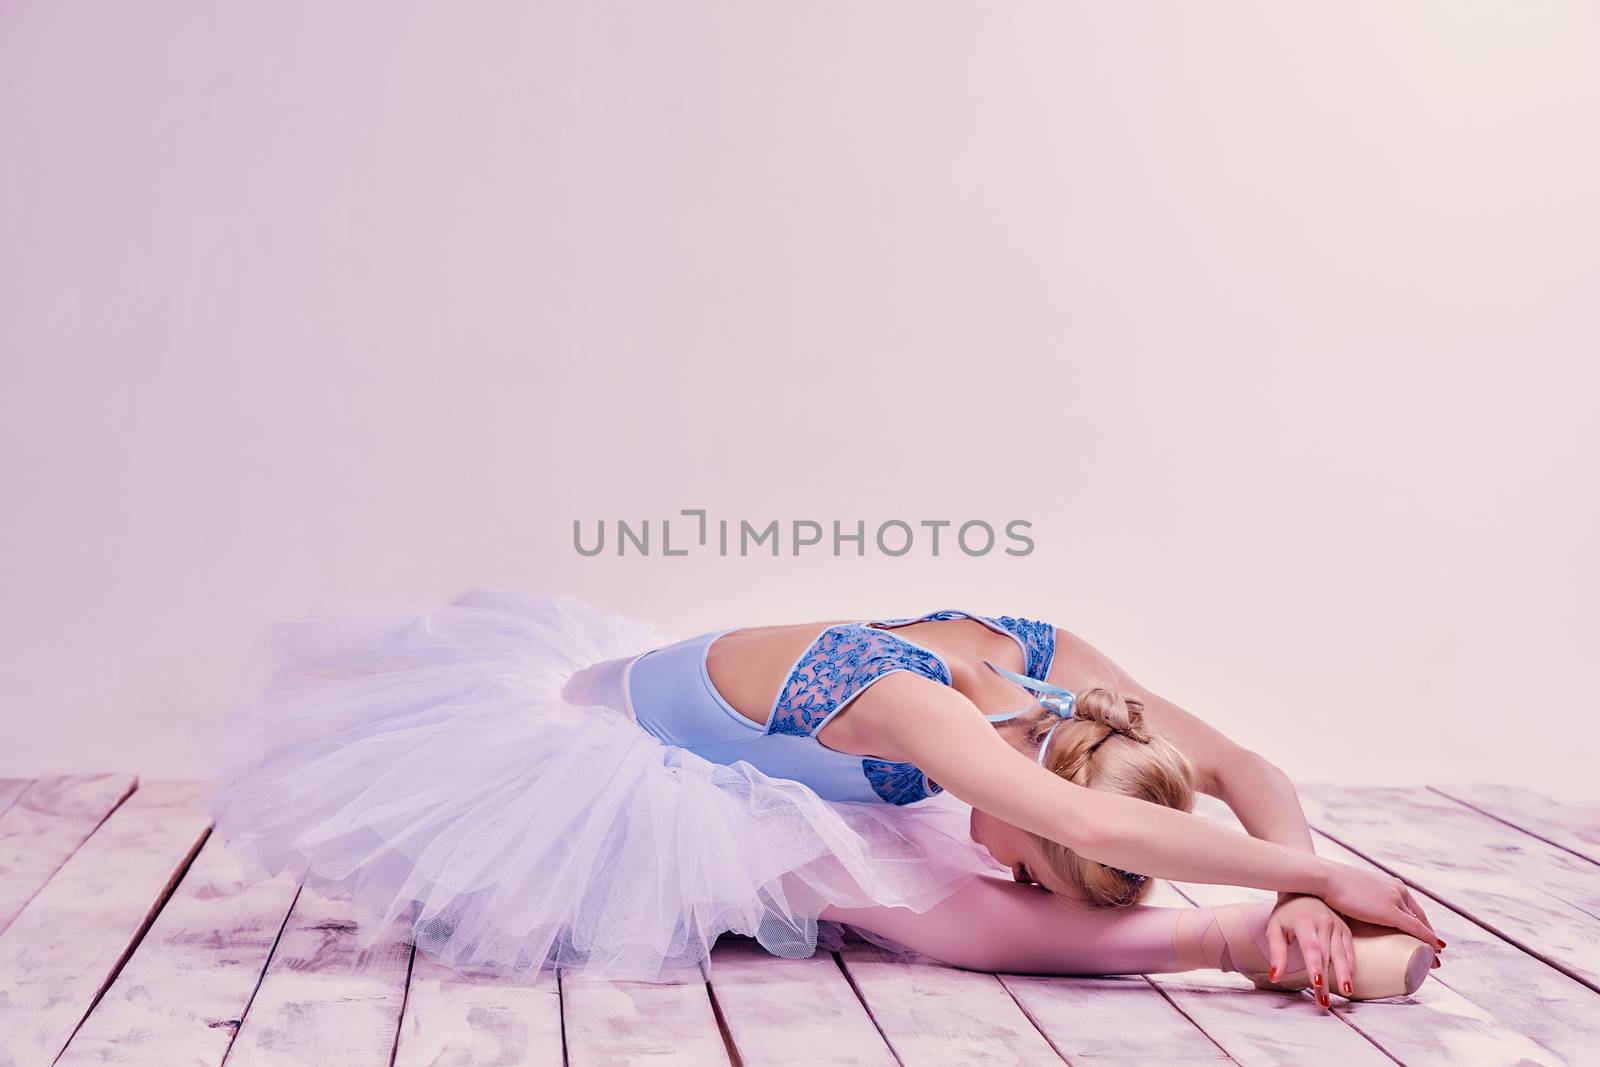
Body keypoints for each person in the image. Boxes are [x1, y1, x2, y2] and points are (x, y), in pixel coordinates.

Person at [206, 588, 1441, 1008]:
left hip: (777, 761)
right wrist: (1321, 881)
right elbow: (1086, 825)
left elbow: (1246, 771)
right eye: (1032, 858)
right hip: (616, 751)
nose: (1008, 856)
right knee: (937, 915)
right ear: (1042, 813)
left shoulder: (1070, 685)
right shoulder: (924, 712)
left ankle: (1261, 937)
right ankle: (1232, 949)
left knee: (923, 879)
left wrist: (1296, 869)